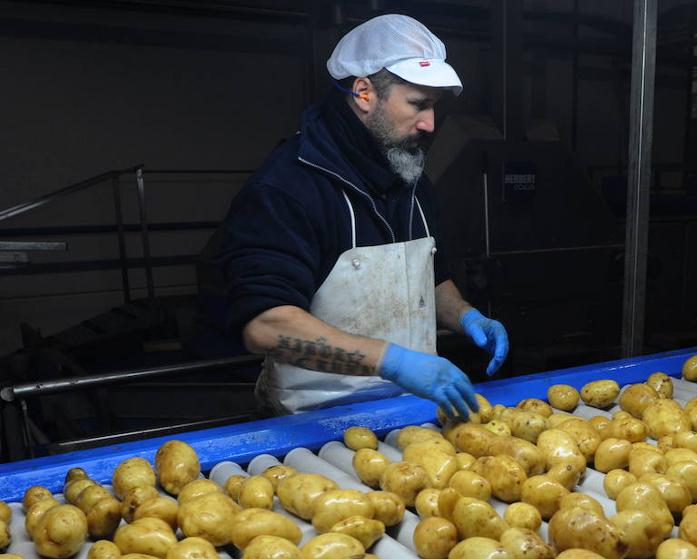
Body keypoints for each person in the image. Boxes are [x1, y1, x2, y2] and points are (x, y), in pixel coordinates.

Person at [217, 13, 508, 419]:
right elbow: (266, 324)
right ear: (364, 92)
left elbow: (431, 277)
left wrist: (465, 316)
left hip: (413, 414)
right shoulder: (288, 188)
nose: (430, 124)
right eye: (418, 104)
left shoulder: (411, 179)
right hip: (312, 425)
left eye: (434, 107)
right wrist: (393, 363)